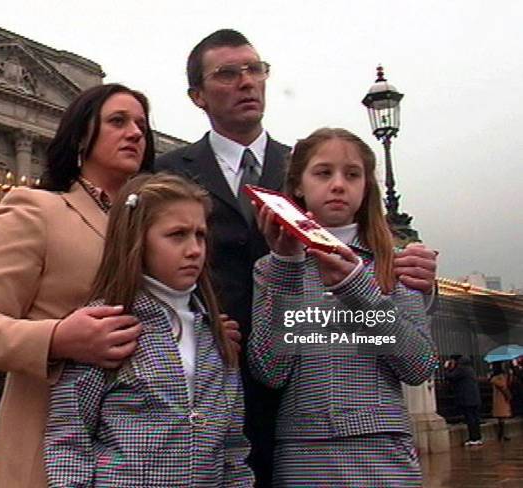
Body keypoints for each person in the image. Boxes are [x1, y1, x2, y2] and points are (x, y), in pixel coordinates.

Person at [155, 29, 438, 487]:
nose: (247, 82)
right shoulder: (167, 171)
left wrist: (416, 283)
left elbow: (416, 355)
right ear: (197, 95)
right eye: (228, 73)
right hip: (214, 384)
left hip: (338, 424)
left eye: (255, 69)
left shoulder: (302, 161)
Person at [0, 83, 155, 487]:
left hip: (142, 452)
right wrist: (58, 338)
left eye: (142, 126)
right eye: (118, 121)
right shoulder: (36, 210)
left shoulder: (154, 227)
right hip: (52, 444)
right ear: (81, 135)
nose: (135, 133)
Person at [248, 127, 438, 487]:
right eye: (323, 173)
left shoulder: (394, 263)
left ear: (366, 186)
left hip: (381, 447)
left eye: (352, 175)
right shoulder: (271, 267)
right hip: (304, 449)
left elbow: (418, 364)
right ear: (299, 185)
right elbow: (270, 369)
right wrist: (286, 266)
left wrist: (355, 287)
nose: (338, 185)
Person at [44, 173, 253, 487]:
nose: (195, 249)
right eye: (177, 235)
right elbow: (69, 438)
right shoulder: (103, 327)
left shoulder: (214, 333)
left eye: (200, 235)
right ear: (136, 239)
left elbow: (232, 447)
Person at [445, 356, 483, 446]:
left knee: (470, 419)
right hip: (475, 399)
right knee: (475, 419)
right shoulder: (470, 369)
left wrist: (447, 368)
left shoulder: (462, 369)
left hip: (467, 399)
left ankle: (473, 438)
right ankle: (477, 437)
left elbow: (450, 376)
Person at [490, 361, 512, 441]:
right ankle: (501, 434)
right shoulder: (500, 376)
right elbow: (503, 385)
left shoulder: (497, 376)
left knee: (502, 416)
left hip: (500, 398)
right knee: (502, 416)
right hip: (501, 398)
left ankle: (501, 434)